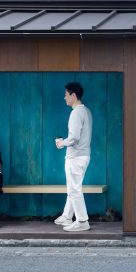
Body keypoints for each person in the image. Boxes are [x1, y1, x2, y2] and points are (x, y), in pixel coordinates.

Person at [54, 81, 92, 232]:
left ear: (73, 95)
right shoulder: (86, 111)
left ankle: (82, 221)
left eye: (66, 95)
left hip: (75, 157)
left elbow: (74, 138)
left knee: (74, 189)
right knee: (73, 187)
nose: (64, 98)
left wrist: (61, 143)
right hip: (84, 156)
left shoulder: (76, 112)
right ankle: (67, 216)